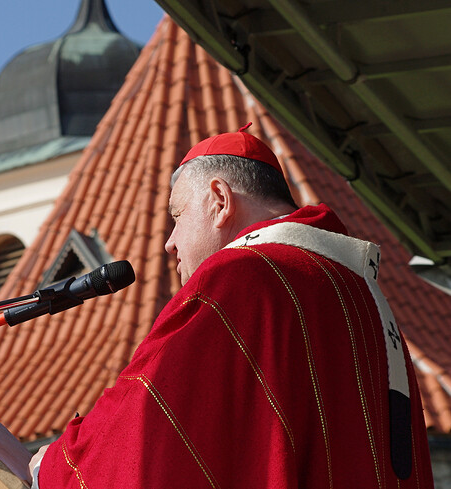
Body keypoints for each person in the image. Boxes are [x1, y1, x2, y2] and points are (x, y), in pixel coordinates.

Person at [27, 124, 434, 488]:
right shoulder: (366, 295)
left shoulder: (241, 276)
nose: (169, 243)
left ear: (219, 200)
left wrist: (60, 465)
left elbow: (148, 419)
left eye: (177, 215)